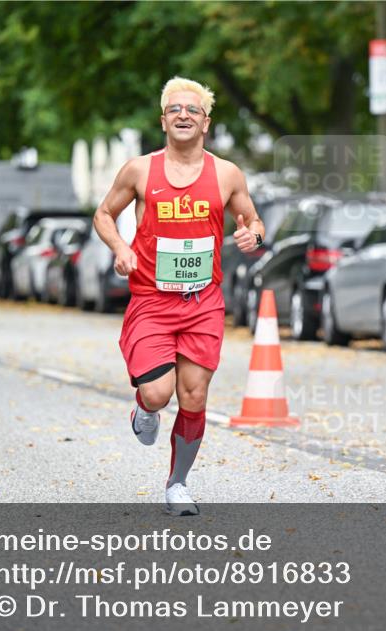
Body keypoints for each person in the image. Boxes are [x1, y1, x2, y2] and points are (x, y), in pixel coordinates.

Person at [93, 76, 265, 516]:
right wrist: (121, 247)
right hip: (151, 301)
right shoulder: (139, 170)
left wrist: (253, 237)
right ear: (163, 120)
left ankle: (177, 484)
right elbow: (104, 214)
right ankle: (143, 409)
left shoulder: (227, 173)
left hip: (203, 303)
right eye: (175, 109)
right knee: (157, 393)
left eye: (192, 110)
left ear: (206, 122)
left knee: (194, 398)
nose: (183, 115)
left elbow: (253, 221)